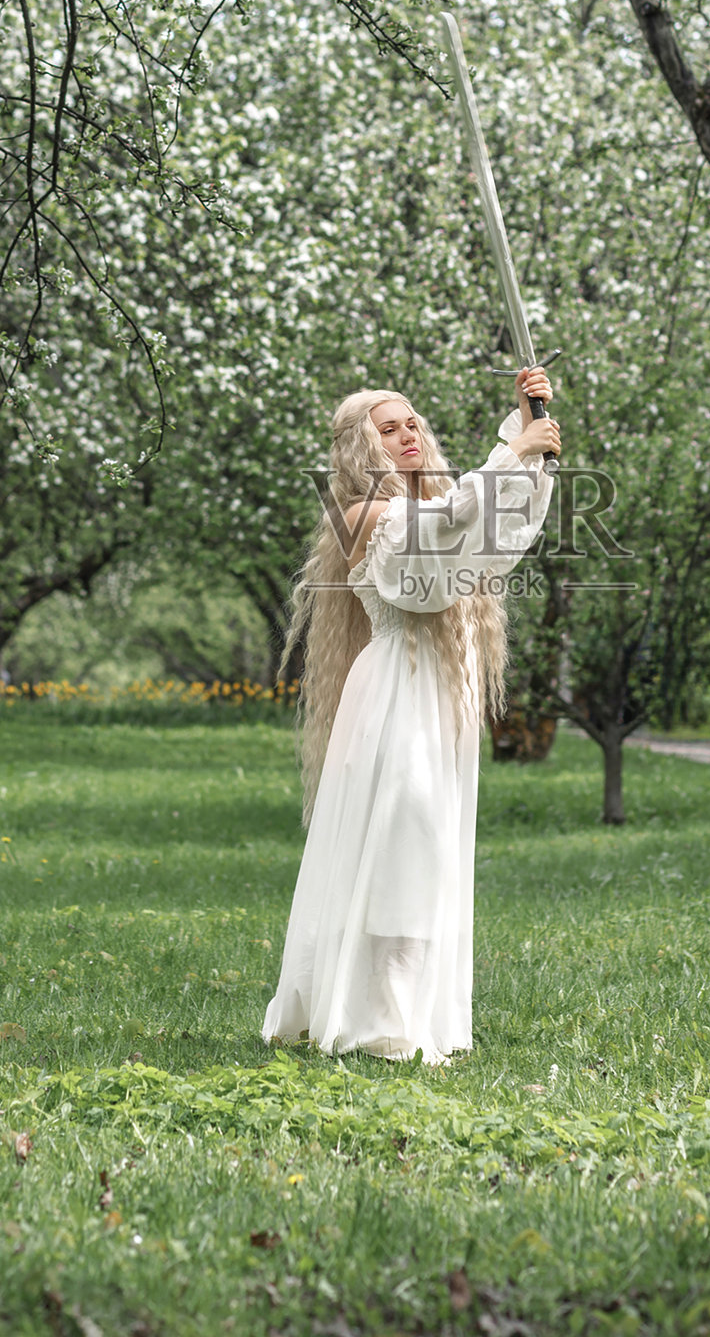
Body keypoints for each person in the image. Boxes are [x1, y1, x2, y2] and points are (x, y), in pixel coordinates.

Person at [262, 366, 560, 1064]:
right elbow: (438, 541)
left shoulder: (432, 505)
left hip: (436, 703)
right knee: (404, 843)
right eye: (388, 429)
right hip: (392, 695)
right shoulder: (363, 515)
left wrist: (528, 437)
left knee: (427, 851)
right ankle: (380, 1020)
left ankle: (409, 1013)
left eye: (412, 423)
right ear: (362, 449)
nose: (408, 436)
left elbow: (491, 535)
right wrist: (511, 451)